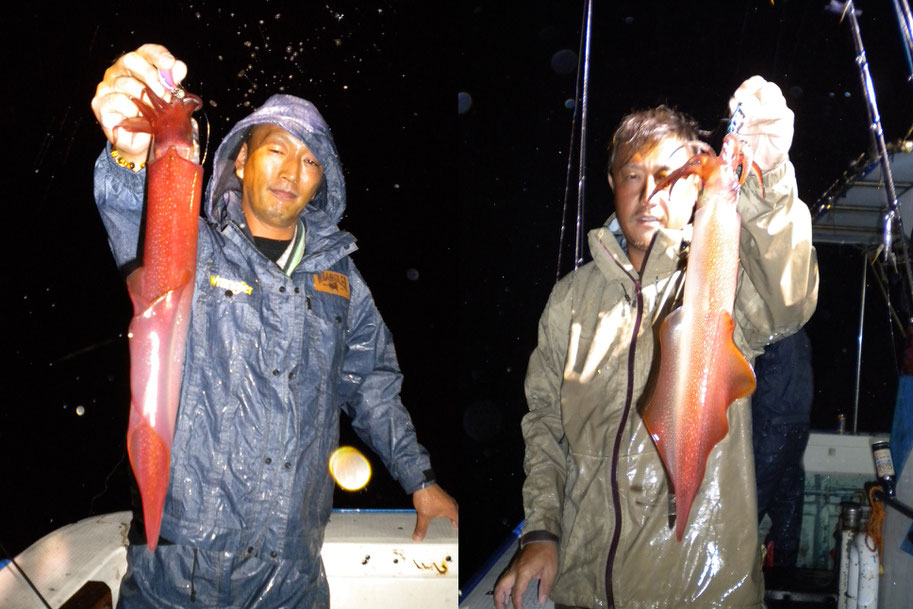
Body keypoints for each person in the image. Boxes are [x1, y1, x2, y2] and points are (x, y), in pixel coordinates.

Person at [91, 44, 458, 608]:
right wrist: (130, 157)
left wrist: (419, 478)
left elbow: (373, 385)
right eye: (276, 150)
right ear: (240, 160)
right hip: (173, 574)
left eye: (310, 160)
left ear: (321, 181)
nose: (291, 171)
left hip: (292, 579)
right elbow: (135, 220)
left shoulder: (342, 280)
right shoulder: (194, 246)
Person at [494, 76, 818, 609]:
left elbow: (790, 298)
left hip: (708, 591)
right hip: (584, 591)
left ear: (693, 185)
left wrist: (771, 180)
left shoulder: (725, 278)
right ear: (612, 184)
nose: (648, 194)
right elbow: (544, 426)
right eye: (632, 175)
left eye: (667, 175)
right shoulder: (569, 302)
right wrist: (542, 533)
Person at [752, 328, 813, 570]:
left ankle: (734, 576)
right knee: (789, 498)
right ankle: (785, 571)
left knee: (751, 501)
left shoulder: (769, 329)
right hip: (798, 426)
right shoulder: (799, 331)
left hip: (772, 424)